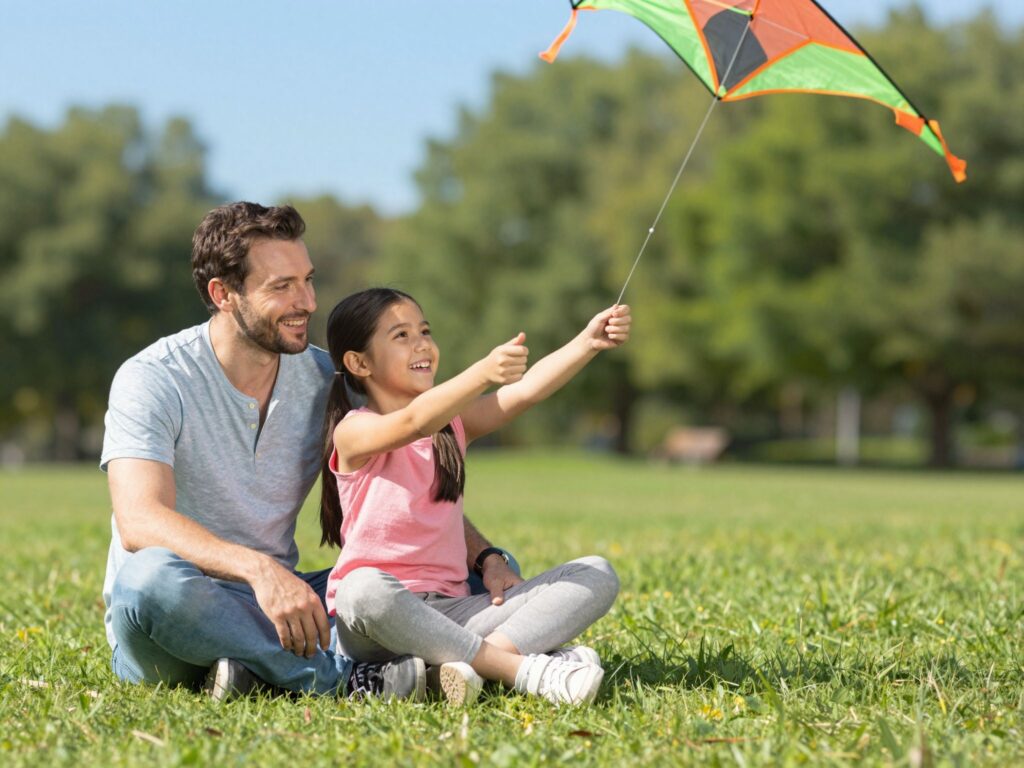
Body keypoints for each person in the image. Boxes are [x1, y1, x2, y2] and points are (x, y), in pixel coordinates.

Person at [100, 202, 522, 701]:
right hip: (185, 604)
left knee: (467, 578)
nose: (307, 302)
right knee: (148, 580)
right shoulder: (154, 378)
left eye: (308, 280)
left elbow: (407, 472)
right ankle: (346, 680)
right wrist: (260, 570)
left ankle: (257, 671)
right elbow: (140, 520)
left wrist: (485, 555)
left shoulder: (326, 379)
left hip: (289, 602)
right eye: (282, 286)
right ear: (223, 294)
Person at [320, 288, 630, 706]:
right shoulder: (354, 430)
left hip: (454, 612)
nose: (422, 344)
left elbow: (526, 391)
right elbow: (414, 421)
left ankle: (459, 669)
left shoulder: (452, 425)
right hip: (377, 624)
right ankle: (525, 670)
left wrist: (587, 342)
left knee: (595, 573)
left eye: (425, 331)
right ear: (360, 363)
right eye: (401, 335)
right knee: (361, 590)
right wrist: (483, 373)